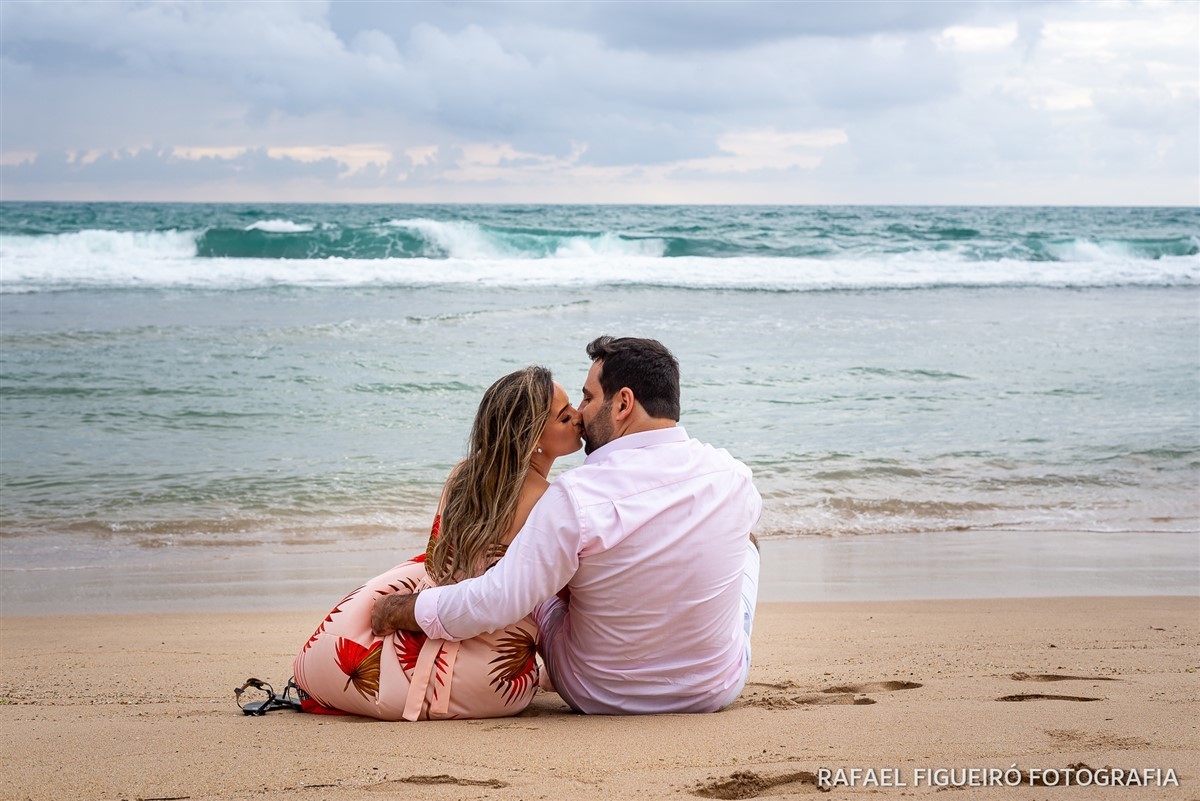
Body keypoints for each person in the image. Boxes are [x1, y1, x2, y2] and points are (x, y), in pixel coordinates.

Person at [373, 336, 762, 714]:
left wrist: (401, 610)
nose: (581, 410)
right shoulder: (735, 477)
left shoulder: (575, 495)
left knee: (535, 581)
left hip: (598, 690)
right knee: (745, 546)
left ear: (623, 403)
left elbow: (495, 600)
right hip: (714, 686)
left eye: (589, 397)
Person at [292, 366, 582, 720]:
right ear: (533, 433)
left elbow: (439, 559)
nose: (579, 418)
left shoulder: (462, 475)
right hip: (493, 682)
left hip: (439, 617)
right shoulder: (548, 501)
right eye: (565, 416)